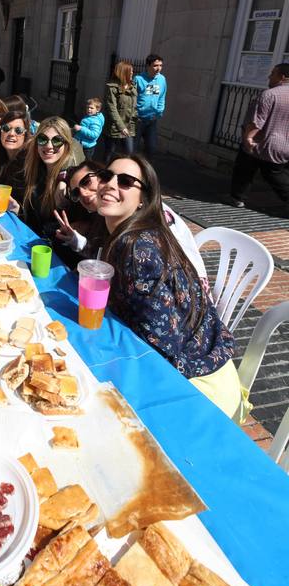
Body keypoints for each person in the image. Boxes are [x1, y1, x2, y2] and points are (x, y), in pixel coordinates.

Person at [96, 154, 242, 420]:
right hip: (205, 369)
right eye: (106, 176)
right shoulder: (137, 232)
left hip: (201, 391)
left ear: (143, 199)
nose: (111, 184)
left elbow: (163, 346)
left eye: (126, 181)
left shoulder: (135, 248)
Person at [55, 161, 206, 278]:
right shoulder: (112, 217)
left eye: (86, 181)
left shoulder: (144, 237)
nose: (84, 194)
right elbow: (105, 255)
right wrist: (76, 241)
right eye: (76, 193)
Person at [230, 63, 289, 211]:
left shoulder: (269, 94)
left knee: (244, 170)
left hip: (261, 143)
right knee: (275, 174)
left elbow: (257, 122)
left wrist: (248, 138)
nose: (269, 76)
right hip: (284, 145)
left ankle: (238, 198)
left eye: (273, 73)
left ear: (282, 77)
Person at [10, 117, 73, 238]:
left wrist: (63, 179)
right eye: (43, 139)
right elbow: (35, 222)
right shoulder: (35, 170)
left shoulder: (70, 183)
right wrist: (19, 211)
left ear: (66, 145)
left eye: (57, 140)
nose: (49, 146)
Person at [0, 109, 30, 206]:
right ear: (0, 132)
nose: (11, 134)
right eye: (6, 128)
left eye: (18, 130)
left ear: (25, 135)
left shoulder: (29, 162)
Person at [103, 60, 137, 159]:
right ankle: (104, 172)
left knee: (129, 153)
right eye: (130, 71)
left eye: (132, 71)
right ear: (123, 72)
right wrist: (122, 127)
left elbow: (134, 105)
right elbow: (112, 109)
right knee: (109, 153)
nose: (132, 73)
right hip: (114, 127)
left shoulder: (133, 86)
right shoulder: (112, 88)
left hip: (129, 126)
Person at [135, 54, 167, 158]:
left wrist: (159, 112)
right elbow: (132, 99)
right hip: (138, 120)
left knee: (151, 149)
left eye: (161, 65)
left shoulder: (162, 79)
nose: (159, 68)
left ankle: (146, 172)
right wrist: (135, 114)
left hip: (152, 119)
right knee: (132, 150)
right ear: (148, 66)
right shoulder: (138, 79)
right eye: (155, 65)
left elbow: (162, 96)